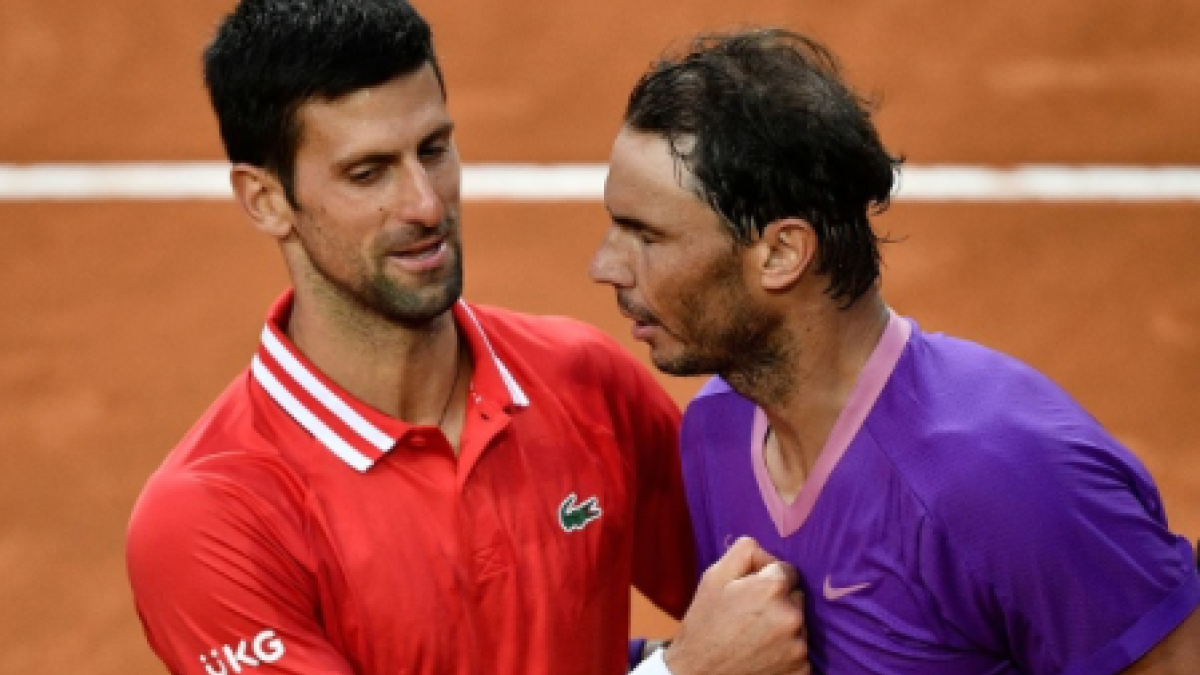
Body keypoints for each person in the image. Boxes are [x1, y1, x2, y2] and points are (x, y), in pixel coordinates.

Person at [125, 3, 810, 675]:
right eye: (369, 173)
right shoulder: (208, 520)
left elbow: (783, 600)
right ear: (265, 199)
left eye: (434, 149)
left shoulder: (584, 381)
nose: (425, 204)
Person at [590, 27, 1200, 675]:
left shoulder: (1006, 476)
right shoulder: (716, 429)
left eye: (646, 236)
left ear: (780, 253)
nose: (606, 266)